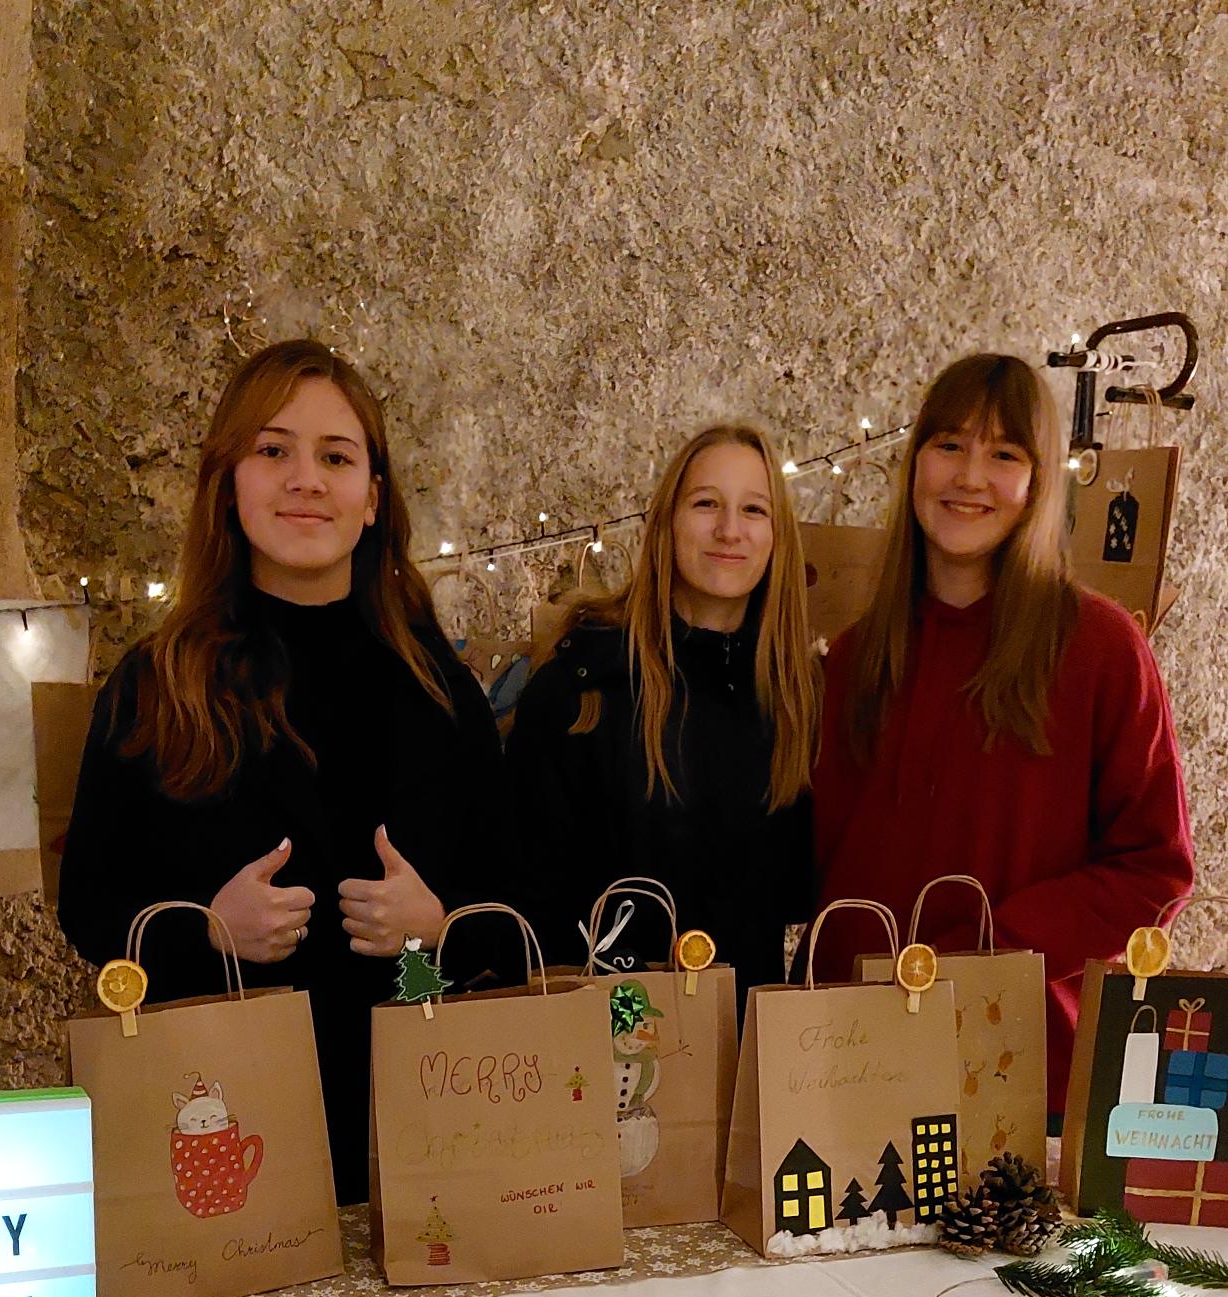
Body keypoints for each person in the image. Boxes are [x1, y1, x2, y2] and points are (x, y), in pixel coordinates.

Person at [59, 339, 507, 1202]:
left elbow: (518, 897)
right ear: (229, 483)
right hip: (224, 1124)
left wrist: (439, 923)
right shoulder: (156, 686)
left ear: (372, 499)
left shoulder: (440, 690)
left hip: (425, 1133)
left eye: (335, 457)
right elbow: (89, 906)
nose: (305, 479)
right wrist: (206, 930)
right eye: (273, 450)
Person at [812, 352, 1194, 1115]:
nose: (970, 477)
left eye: (1004, 454)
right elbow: (826, 861)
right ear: (916, 462)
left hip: (1020, 1063)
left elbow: (1155, 869)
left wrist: (985, 950)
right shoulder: (856, 657)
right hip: (852, 1059)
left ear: (1040, 480)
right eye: (950, 444)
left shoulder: (1101, 648)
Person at [504, 423, 819, 1004]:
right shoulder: (582, 691)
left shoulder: (796, 699)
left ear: (778, 537)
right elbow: (532, 904)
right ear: (667, 523)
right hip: (616, 1028)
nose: (729, 530)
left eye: (754, 509)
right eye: (706, 504)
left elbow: (796, 894)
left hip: (754, 1036)